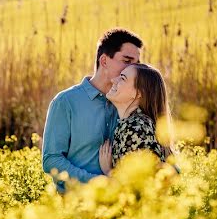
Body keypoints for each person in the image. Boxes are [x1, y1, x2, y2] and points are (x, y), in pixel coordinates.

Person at [42, 28, 143, 193]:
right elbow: (51, 160)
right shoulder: (65, 101)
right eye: (127, 60)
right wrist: (99, 184)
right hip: (76, 206)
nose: (134, 70)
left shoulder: (134, 104)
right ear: (104, 61)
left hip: (123, 208)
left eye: (137, 64)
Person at [98, 63, 169, 174]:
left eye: (122, 78)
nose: (113, 80)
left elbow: (139, 184)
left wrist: (108, 171)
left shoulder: (137, 128)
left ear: (138, 93)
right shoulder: (131, 123)